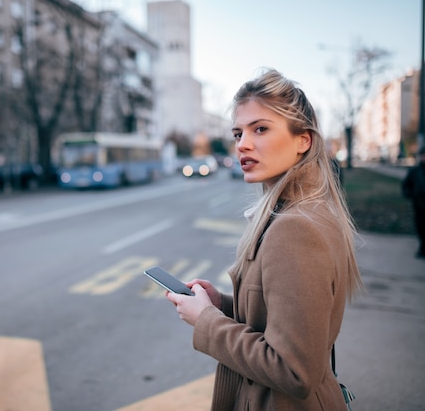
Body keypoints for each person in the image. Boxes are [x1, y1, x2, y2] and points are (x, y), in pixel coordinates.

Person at [166, 69, 363, 410]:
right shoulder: (302, 212)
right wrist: (223, 305)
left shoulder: (295, 229)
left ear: (304, 140)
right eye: (238, 132)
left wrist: (207, 321)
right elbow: (287, 320)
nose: (242, 143)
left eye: (261, 129)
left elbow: (294, 371)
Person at [402, 146, 425, 258]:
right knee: (420, 226)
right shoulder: (415, 171)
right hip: (419, 205)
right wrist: (409, 194)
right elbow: (406, 185)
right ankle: (422, 247)